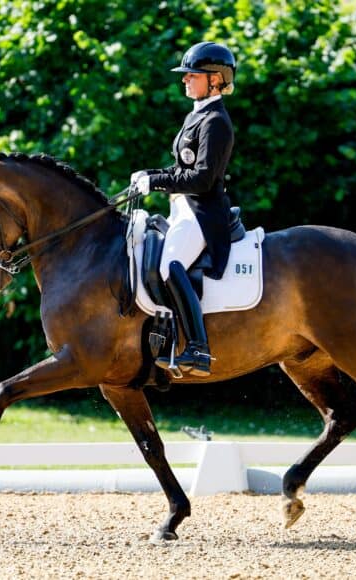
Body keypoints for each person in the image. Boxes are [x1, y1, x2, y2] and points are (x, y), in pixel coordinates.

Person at [131, 41, 236, 377]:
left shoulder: (215, 121)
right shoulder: (198, 115)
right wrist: (152, 175)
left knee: (170, 265)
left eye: (193, 75)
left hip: (203, 213)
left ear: (215, 80)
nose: (185, 80)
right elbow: (181, 169)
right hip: (184, 209)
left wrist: (159, 182)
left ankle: (198, 349)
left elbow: (202, 179)